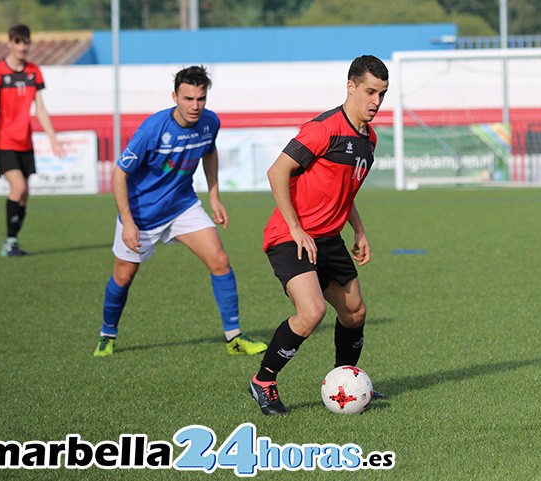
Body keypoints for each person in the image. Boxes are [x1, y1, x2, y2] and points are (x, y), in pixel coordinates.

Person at [92, 65, 267, 358]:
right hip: (142, 214)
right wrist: (129, 223)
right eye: (188, 99)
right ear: (175, 96)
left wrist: (214, 197)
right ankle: (107, 334)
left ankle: (234, 337)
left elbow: (209, 152)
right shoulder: (152, 129)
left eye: (200, 99)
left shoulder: (210, 123)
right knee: (123, 277)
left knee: (220, 261)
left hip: (182, 206)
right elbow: (119, 174)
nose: (195, 106)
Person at [248, 55, 389, 415]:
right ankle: (263, 380)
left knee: (355, 312)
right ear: (351, 87)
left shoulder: (369, 140)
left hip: (328, 238)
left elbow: (345, 192)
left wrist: (358, 229)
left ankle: (347, 380)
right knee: (311, 313)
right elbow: (277, 171)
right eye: (370, 92)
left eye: (382, 94)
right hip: (290, 235)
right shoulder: (323, 128)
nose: (375, 101)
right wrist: (296, 228)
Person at [0, 24, 66, 257]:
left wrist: (53, 139)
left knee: (25, 194)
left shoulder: (34, 72)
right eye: (18, 42)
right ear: (10, 43)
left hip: (25, 142)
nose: (22, 46)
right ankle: (9, 242)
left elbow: (40, 109)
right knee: (19, 187)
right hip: (3, 140)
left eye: (26, 42)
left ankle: (13, 241)